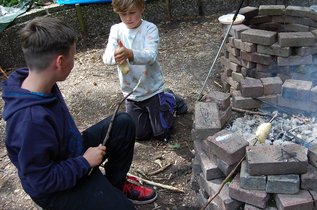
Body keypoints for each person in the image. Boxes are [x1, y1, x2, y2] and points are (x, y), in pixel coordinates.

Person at [2, 16, 157, 210]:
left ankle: (113, 188)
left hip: (70, 153)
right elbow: (40, 181)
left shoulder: (39, 81)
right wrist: (84, 162)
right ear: (59, 62)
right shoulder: (30, 121)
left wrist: (82, 159)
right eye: (73, 57)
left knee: (123, 123)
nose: (74, 62)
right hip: (55, 188)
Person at [103, 0, 187, 142]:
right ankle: (154, 112)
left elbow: (151, 56)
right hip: (132, 92)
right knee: (140, 135)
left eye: (132, 13)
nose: (128, 18)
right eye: (123, 14)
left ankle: (171, 99)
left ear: (141, 8)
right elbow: (106, 58)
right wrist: (114, 56)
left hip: (153, 89)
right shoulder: (116, 30)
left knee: (162, 133)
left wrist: (131, 54)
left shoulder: (149, 29)